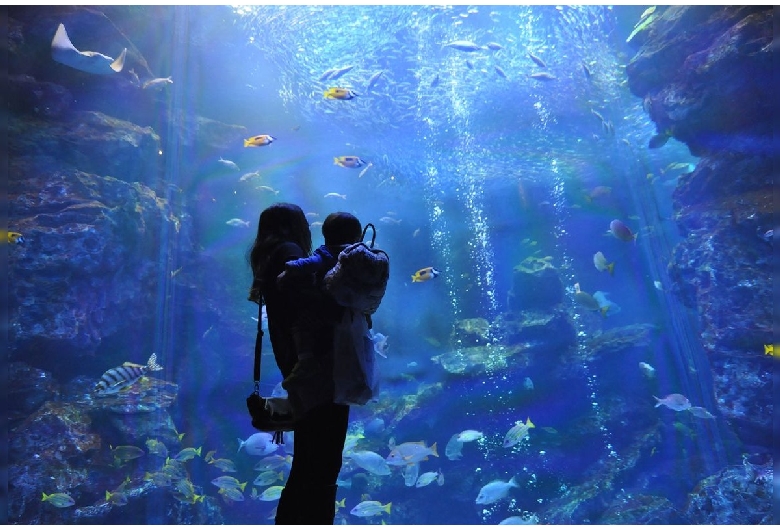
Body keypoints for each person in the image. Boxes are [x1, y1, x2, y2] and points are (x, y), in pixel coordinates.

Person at [247, 203, 349, 525]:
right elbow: (308, 300)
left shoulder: (269, 255)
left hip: (297, 365)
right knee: (322, 464)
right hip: (318, 369)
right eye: (303, 221)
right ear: (293, 225)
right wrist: (345, 304)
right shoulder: (289, 251)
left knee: (308, 461)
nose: (308, 227)